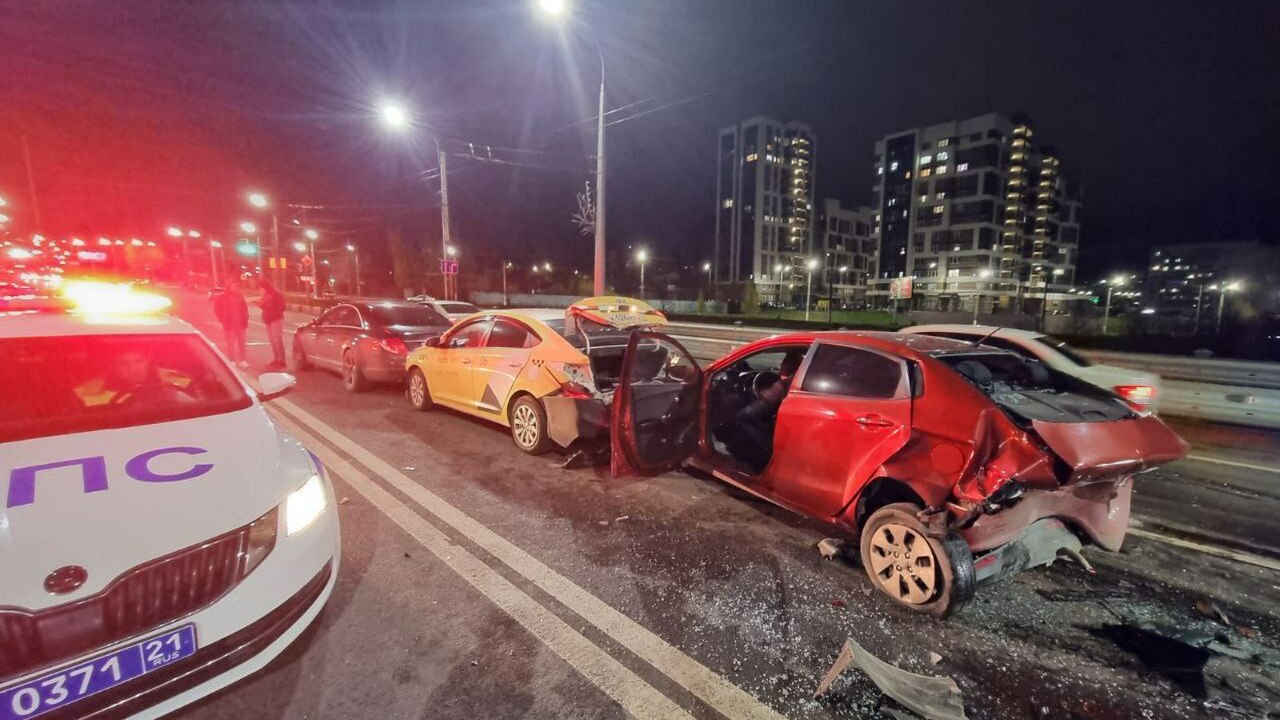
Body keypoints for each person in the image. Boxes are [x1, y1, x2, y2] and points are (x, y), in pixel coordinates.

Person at [729, 349, 806, 473]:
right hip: (794, 435)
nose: (781, 365)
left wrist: (739, 414)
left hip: (779, 439)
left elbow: (754, 411)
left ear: (788, 366)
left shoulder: (782, 385)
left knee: (743, 420)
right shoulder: (803, 383)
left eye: (784, 362)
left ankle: (754, 466)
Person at [213, 278, 249, 368]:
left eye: (236, 286)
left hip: (240, 324)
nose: (235, 288)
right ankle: (231, 360)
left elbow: (245, 308)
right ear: (229, 286)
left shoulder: (240, 296)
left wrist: (246, 318)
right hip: (229, 325)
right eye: (233, 286)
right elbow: (217, 309)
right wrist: (222, 318)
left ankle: (243, 360)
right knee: (230, 344)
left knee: (242, 343)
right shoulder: (222, 297)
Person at [257, 278, 286, 370]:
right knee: (272, 341)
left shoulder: (276, 293)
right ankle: (276, 358)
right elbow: (264, 306)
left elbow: (282, 306)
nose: (261, 290)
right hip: (268, 320)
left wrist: (272, 311)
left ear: (266, 286)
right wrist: (259, 304)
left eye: (262, 288)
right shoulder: (265, 295)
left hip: (276, 319)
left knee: (277, 340)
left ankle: (281, 360)